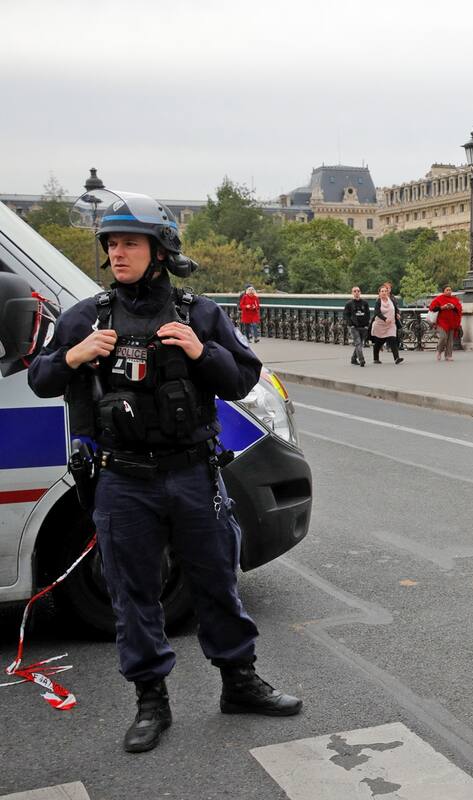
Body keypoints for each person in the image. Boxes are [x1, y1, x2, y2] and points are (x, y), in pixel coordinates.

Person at [27, 190, 300, 754]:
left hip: (194, 474)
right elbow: (41, 378)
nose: (118, 253)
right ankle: (151, 701)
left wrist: (202, 352)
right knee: (133, 592)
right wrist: (74, 357)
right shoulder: (85, 316)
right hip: (123, 479)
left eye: (130, 242)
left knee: (217, 582)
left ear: (160, 249)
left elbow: (243, 379)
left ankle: (239, 683)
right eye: (112, 243)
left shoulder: (199, 313)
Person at [370, 282, 404, 365]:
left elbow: (395, 308)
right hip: (380, 325)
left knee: (393, 339)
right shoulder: (378, 301)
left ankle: (396, 358)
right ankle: (376, 358)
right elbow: (377, 312)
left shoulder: (391, 300)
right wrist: (385, 319)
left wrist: (397, 314)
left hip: (391, 324)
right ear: (379, 293)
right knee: (379, 342)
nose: (384, 292)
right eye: (382, 291)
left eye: (385, 291)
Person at [428, 285, 463, 362]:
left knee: (450, 339)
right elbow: (432, 308)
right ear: (443, 291)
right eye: (447, 290)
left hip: (452, 322)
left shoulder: (455, 299)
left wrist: (453, 307)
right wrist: (442, 307)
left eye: (450, 290)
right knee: (443, 337)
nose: (449, 291)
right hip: (441, 322)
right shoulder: (438, 299)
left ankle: (448, 355)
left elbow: (459, 309)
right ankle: (439, 351)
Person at [344, 286, 371, 367]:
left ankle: (353, 358)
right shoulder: (349, 304)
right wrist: (350, 324)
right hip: (354, 327)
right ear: (352, 293)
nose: (356, 292)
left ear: (360, 292)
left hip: (363, 326)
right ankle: (361, 359)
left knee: (359, 343)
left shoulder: (365, 303)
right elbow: (346, 315)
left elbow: (368, 314)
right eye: (355, 291)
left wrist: (367, 325)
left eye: (358, 291)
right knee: (358, 343)